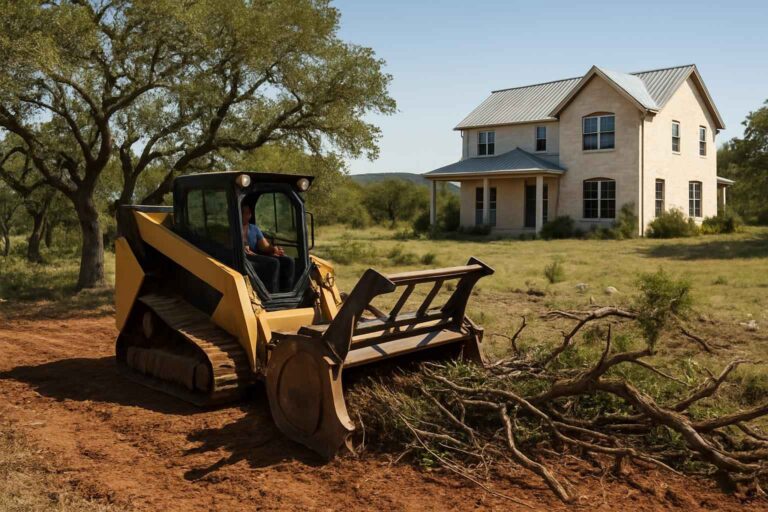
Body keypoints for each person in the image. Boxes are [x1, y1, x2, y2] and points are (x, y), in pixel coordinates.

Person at [241, 204, 295, 293]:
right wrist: (243, 247)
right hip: (242, 258)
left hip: (255, 256)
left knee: (289, 261)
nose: (246, 215)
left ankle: (287, 293)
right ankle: (272, 294)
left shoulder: (254, 229)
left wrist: (274, 249)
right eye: (244, 213)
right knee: (273, 263)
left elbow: (264, 246)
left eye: (248, 213)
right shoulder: (232, 228)